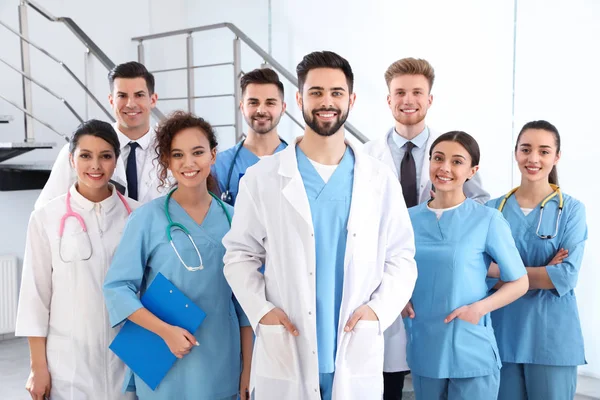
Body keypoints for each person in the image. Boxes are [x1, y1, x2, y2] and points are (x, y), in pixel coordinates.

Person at [222, 51, 417, 400]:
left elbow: (402, 257)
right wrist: (262, 312)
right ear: (298, 99)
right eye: (315, 92)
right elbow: (238, 256)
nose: (326, 102)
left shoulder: (379, 179)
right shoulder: (263, 177)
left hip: (354, 347)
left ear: (351, 100)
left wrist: (377, 312)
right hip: (287, 347)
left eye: (336, 93)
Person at [363, 57, 490, 399]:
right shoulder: (364, 157)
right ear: (388, 99)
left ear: (430, 99)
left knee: (433, 378)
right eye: (400, 92)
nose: (409, 99)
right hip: (383, 279)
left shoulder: (450, 152)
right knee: (385, 380)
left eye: (417, 92)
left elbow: (477, 207)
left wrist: (448, 208)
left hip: (436, 283)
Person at [103, 111, 253, 400]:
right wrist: (165, 331)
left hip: (222, 363)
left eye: (198, 152)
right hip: (165, 361)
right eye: (178, 155)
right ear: (167, 162)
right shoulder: (147, 219)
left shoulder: (236, 220)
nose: (189, 163)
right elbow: (117, 288)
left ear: (212, 155)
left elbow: (246, 304)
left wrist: (247, 370)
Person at [15, 120, 139, 400]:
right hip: (67, 366)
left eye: (105, 156)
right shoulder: (46, 217)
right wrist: (38, 367)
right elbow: (35, 296)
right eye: (85, 155)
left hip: (126, 361)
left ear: (116, 161)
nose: (95, 165)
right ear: (71, 160)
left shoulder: (137, 215)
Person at [405, 131, 529, 400]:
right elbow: (392, 270)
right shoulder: (407, 220)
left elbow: (520, 281)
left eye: (457, 161)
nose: (445, 167)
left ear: (472, 170)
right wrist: (399, 299)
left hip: (471, 348)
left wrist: (479, 309)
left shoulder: (487, 220)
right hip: (425, 348)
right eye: (438, 158)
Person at [486, 120, 587, 400]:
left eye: (544, 151)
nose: (533, 158)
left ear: (556, 157)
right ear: (515, 153)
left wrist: (504, 273)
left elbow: (566, 276)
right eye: (526, 149)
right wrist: (543, 272)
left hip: (552, 339)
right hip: (502, 334)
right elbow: (479, 272)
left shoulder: (572, 211)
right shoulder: (491, 210)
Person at [35, 61, 163, 209]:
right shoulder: (78, 150)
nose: (130, 104)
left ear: (152, 100)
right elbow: (45, 210)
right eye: (122, 95)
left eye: (139, 95)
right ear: (111, 100)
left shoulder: (171, 150)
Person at [212, 68, 288, 205]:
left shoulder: (298, 160)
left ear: (283, 108)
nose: (261, 110)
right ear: (242, 107)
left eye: (270, 103)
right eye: (253, 102)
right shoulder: (220, 166)